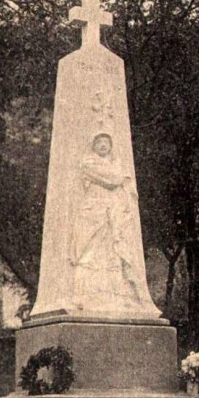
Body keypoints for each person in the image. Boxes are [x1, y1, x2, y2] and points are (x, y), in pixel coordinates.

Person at [69, 133, 141, 313]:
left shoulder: (115, 162)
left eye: (106, 142)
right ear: (93, 146)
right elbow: (113, 179)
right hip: (93, 214)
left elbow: (118, 179)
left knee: (114, 254)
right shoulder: (88, 163)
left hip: (113, 215)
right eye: (99, 142)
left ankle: (119, 297)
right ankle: (81, 296)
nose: (103, 145)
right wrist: (114, 176)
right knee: (87, 253)